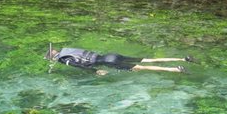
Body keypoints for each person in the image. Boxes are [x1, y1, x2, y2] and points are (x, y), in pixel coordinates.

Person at [46, 45, 190, 74]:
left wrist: (95, 72)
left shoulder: (63, 59)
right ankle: (183, 58)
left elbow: (79, 66)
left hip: (109, 62)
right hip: (111, 55)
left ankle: (175, 69)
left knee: (142, 68)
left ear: (53, 57)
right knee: (147, 60)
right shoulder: (68, 49)